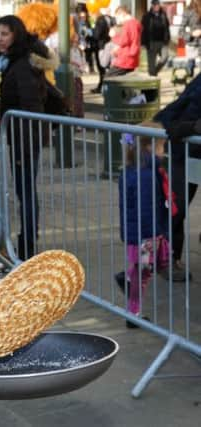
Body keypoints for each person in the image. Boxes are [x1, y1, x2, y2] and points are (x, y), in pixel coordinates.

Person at [0, 15, 52, 260]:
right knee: (23, 190)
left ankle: (27, 246)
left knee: (25, 191)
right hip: (20, 135)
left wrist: (25, 140)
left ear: (16, 34)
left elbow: (30, 104)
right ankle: (25, 243)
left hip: (25, 137)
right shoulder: (10, 61)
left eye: (4, 34)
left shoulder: (22, 64)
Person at [115, 124, 173, 328]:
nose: (163, 152)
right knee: (143, 274)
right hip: (146, 234)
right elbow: (146, 208)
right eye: (161, 147)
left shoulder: (132, 170)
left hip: (136, 233)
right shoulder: (146, 175)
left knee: (143, 272)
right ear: (150, 147)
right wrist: (155, 234)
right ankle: (133, 312)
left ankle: (133, 307)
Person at [155, 72, 201, 282]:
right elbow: (176, 123)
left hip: (190, 151)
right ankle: (168, 259)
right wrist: (192, 127)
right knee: (176, 206)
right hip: (185, 152)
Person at [106, 6, 142, 78]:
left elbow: (125, 40)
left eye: (117, 17)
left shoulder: (129, 24)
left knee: (108, 78)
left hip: (126, 58)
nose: (117, 20)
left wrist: (114, 36)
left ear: (123, 14)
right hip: (130, 57)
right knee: (121, 80)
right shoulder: (135, 23)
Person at [141, 0, 171, 77]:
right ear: (152, 6)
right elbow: (143, 30)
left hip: (162, 41)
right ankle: (152, 79)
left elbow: (167, 28)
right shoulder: (147, 16)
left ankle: (155, 71)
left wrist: (168, 38)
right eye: (154, 5)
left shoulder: (163, 15)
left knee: (165, 57)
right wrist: (143, 43)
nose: (156, 6)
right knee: (151, 63)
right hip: (151, 42)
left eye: (157, 5)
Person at [90, 8, 114, 93]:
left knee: (101, 68)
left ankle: (102, 87)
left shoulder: (99, 20)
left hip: (101, 46)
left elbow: (97, 35)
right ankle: (104, 87)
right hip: (110, 45)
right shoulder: (111, 19)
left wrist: (91, 32)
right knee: (107, 67)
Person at [179, 0, 201, 76]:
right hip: (192, 45)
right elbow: (181, 32)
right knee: (190, 72)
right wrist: (192, 34)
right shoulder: (188, 11)